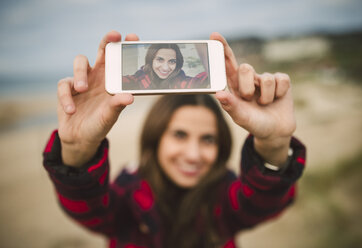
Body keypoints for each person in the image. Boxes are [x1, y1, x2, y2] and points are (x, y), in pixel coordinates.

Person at [43, 31, 306, 248]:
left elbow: (263, 201)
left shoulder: (225, 195)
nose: (193, 154)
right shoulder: (128, 189)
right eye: (180, 135)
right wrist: (77, 148)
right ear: (156, 138)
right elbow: (89, 209)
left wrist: (274, 143)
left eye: (208, 139)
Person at [122, 43, 209, 90]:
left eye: (172, 61)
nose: (165, 68)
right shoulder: (137, 80)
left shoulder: (181, 82)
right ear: (150, 60)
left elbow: (201, 79)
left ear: (177, 63)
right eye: (160, 60)